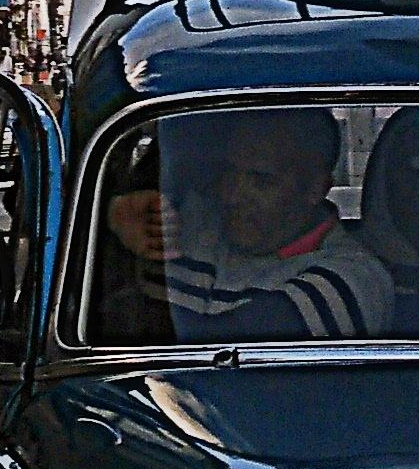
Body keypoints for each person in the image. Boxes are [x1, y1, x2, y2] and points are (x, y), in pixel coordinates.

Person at [102, 106, 403, 342]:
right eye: (229, 172)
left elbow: (230, 350)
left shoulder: (357, 279)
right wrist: (113, 220)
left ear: (315, 188)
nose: (231, 195)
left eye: (261, 180)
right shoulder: (185, 224)